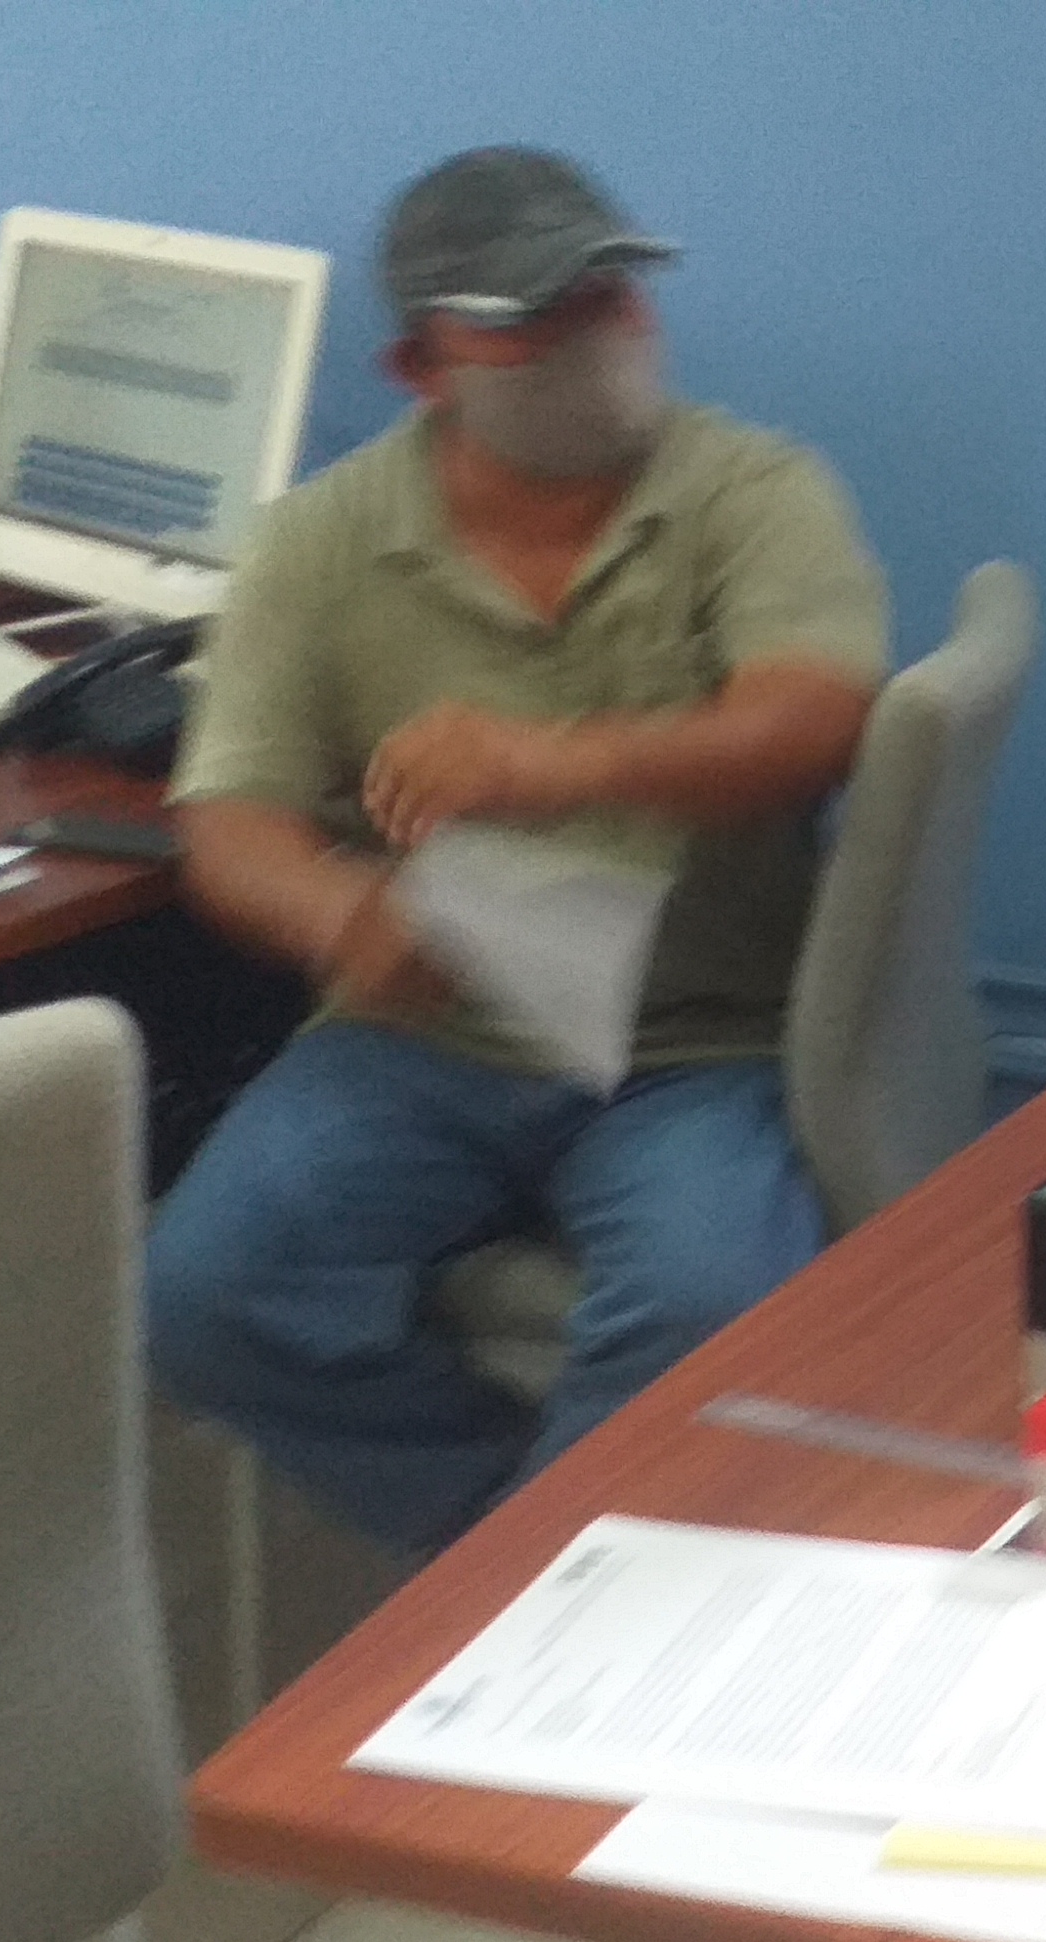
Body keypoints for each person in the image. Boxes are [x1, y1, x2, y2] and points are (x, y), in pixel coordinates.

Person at [146, 147, 889, 1553]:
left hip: (693, 1043)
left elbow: (818, 720)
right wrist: (339, 914)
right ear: (419, 368)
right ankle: (503, 1561)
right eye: (527, 322)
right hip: (423, 1039)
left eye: (608, 295)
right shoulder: (320, 541)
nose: (586, 339)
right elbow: (230, 825)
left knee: (714, 1310)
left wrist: (560, 762)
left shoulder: (753, 491)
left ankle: (534, 1587)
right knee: (204, 1294)